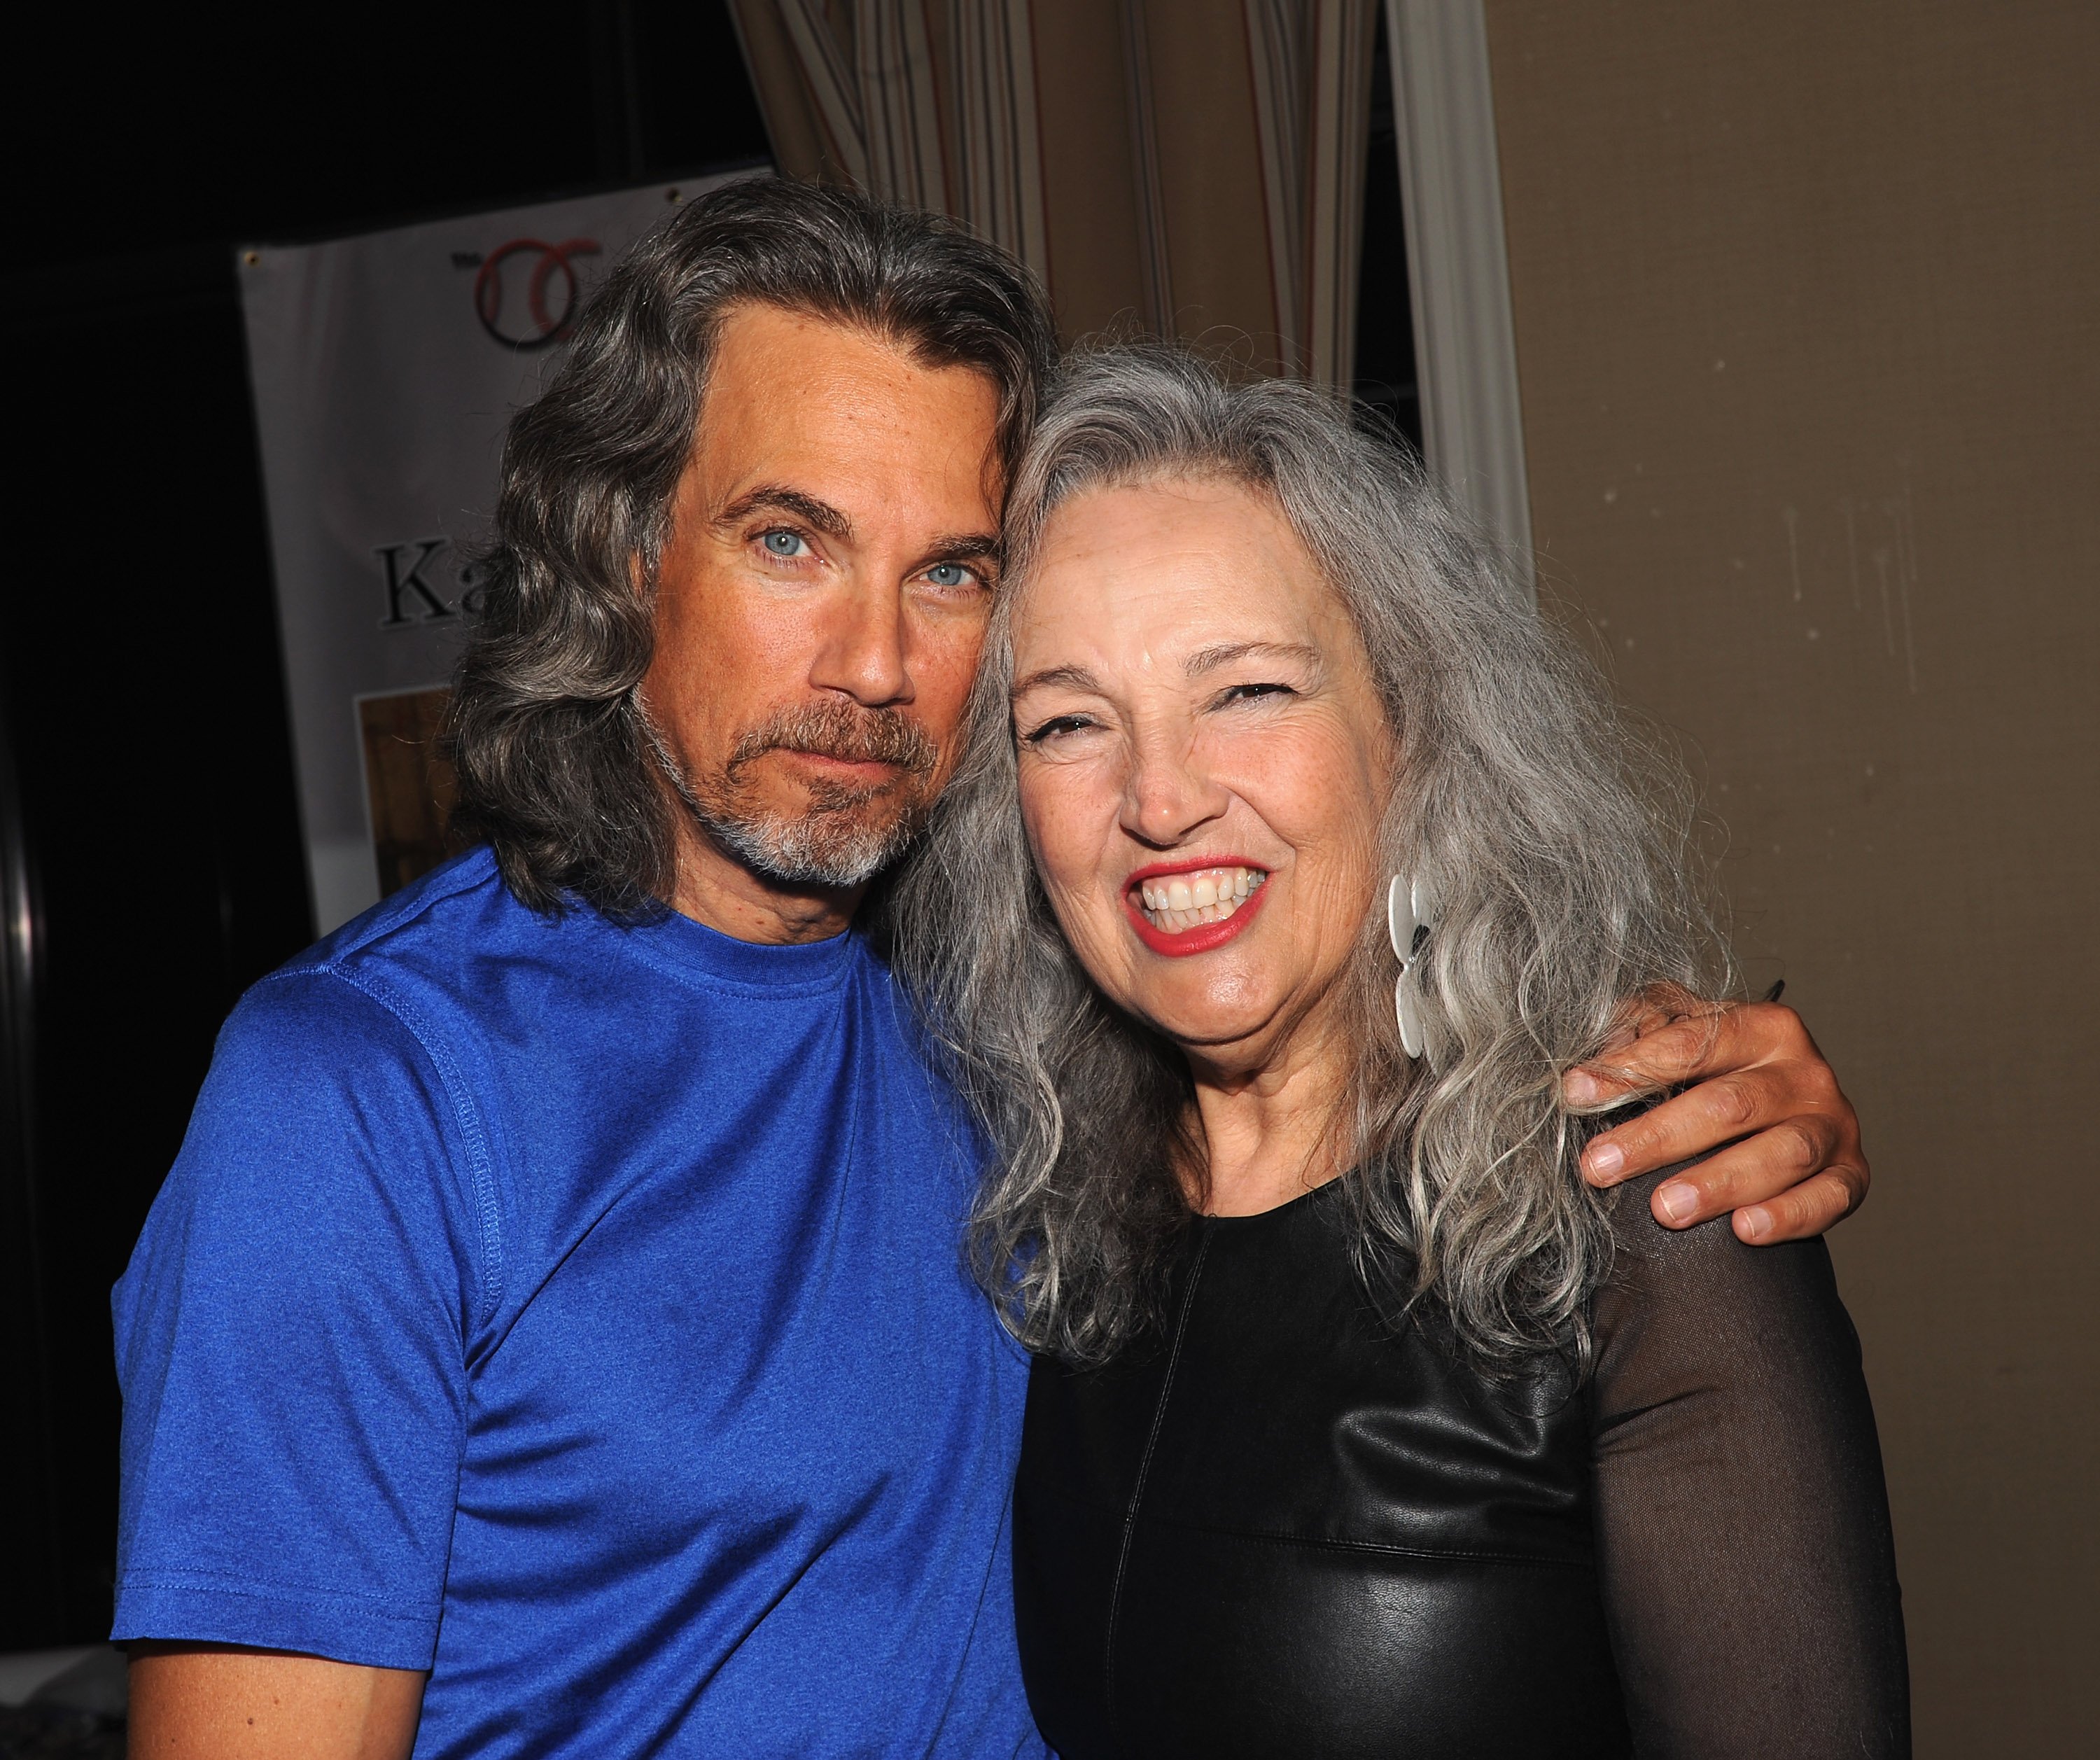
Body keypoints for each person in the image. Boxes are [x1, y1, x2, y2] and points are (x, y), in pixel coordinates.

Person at [113, 182, 1875, 1759]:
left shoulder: (1012, 1035)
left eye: (952, 572)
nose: (876, 662)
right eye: (789, 541)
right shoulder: (362, 1097)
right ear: (627, 550)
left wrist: (1718, 1091)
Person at [889, 345, 1910, 1756]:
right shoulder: (1039, 1216)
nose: (1160, 796)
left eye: (1247, 690)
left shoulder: (1648, 1208)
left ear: (1410, 732)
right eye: (1069, 722)